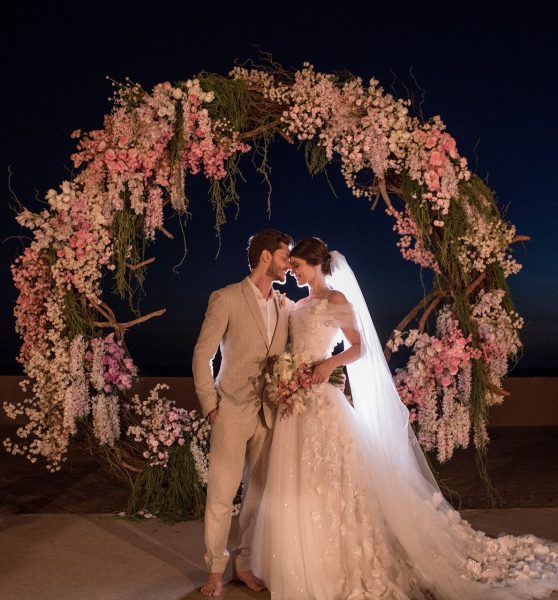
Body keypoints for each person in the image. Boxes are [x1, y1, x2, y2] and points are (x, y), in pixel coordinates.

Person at [251, 237, 558, 600]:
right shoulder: (296, 304)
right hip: (297, 400)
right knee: (297, 480)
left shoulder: (336, 300)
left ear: (314, 263)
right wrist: (289, 375)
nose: (294, 271)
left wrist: (330, 364)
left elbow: (359, 346)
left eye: (298, 265)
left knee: (333, 478)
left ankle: (339, 560)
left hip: (323, 396)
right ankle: (298, 561)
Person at [192, 229, 293, 597]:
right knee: (221, 495)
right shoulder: (226, 298)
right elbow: (202, 355)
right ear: (266, 257)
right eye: (285, 256)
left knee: (257, 496)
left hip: (269, 415)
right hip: (230, 412)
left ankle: (244, 565)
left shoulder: (284, 305)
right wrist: (211, 407)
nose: (288, 264)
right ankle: (215, 569)